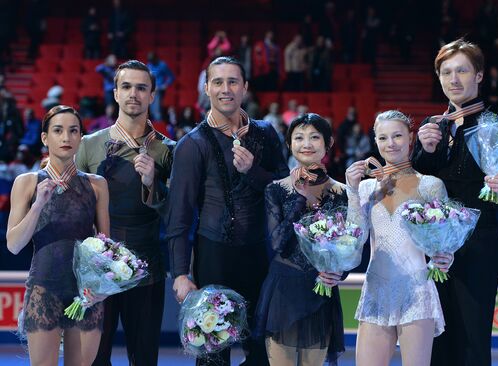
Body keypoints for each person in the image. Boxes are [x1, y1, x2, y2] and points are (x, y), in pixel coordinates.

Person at [166, 56, 288, 366]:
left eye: (233, 81)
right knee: (212, 355)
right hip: (213, 258)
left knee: (263, 354)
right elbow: (179, 215)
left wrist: (253, 171)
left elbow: (286, 191)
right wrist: (181, 273)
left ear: (245, 88)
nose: (225, 89)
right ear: (206, 88)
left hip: (260, 257)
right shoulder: (191, 144)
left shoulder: (266, 133)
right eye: (218, 82)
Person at [412, 39, 498, 366]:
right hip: (433, 250)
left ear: (479, 76)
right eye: (446, 72)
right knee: (435, 339)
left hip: (478, 248)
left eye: (462, 70)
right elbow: (417, 191)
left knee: (472, 340)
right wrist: (425, 151)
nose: (454, 78)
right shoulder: (432, 128)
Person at [76, 60, 175, 366]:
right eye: (127, 87)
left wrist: (152, 183)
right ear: (116, 93)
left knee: (144, 358)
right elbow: (75, 210)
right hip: (97, 270)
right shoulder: (89, 145)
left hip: (148, 267)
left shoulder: (168, 150)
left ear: (152, 96)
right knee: (93, 358)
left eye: (142, 88)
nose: (134, 94)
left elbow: (178, 214)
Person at [346, 110, 454, 366]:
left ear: (411, 138)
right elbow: (355, 240)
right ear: (375, 141)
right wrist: (351, 190)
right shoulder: (365, 187)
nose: (390, 143)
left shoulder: (430, 185)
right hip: (376, 289)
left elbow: (448, 239)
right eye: (383, 138)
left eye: (397, 136)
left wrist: (446, 256)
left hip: (416, 290)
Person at [7, 105, 110, 366]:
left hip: (86, 295)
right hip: (44, 291)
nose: (66, 137)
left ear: (80, 137)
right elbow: (13, 245)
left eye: (73, 131)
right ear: (45, 138)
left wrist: (102, 288)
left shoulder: (97, 185)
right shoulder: (27, 183)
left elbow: (106, 247)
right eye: (58, 130)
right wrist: (38, 205)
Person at [254, 113, 346, 366]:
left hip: (321, 290)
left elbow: (348, 246)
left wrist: (339, 272)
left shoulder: (342, 192)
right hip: (284, 289)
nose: (307, 143)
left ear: (328, 144)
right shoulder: (275, 189)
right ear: (289, 144)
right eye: (299, 137)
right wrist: (299, 200)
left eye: (315, 137)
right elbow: (278, 244)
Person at [147, 52, 175, 121]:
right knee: (151, 111)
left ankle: (159, 127)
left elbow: (171, 77)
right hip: (150, 90)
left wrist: (164, 85)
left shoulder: (162, 65)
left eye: (153, 60)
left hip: (158, 90)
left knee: (157, 111)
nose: (152, 62)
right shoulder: (148, 65)